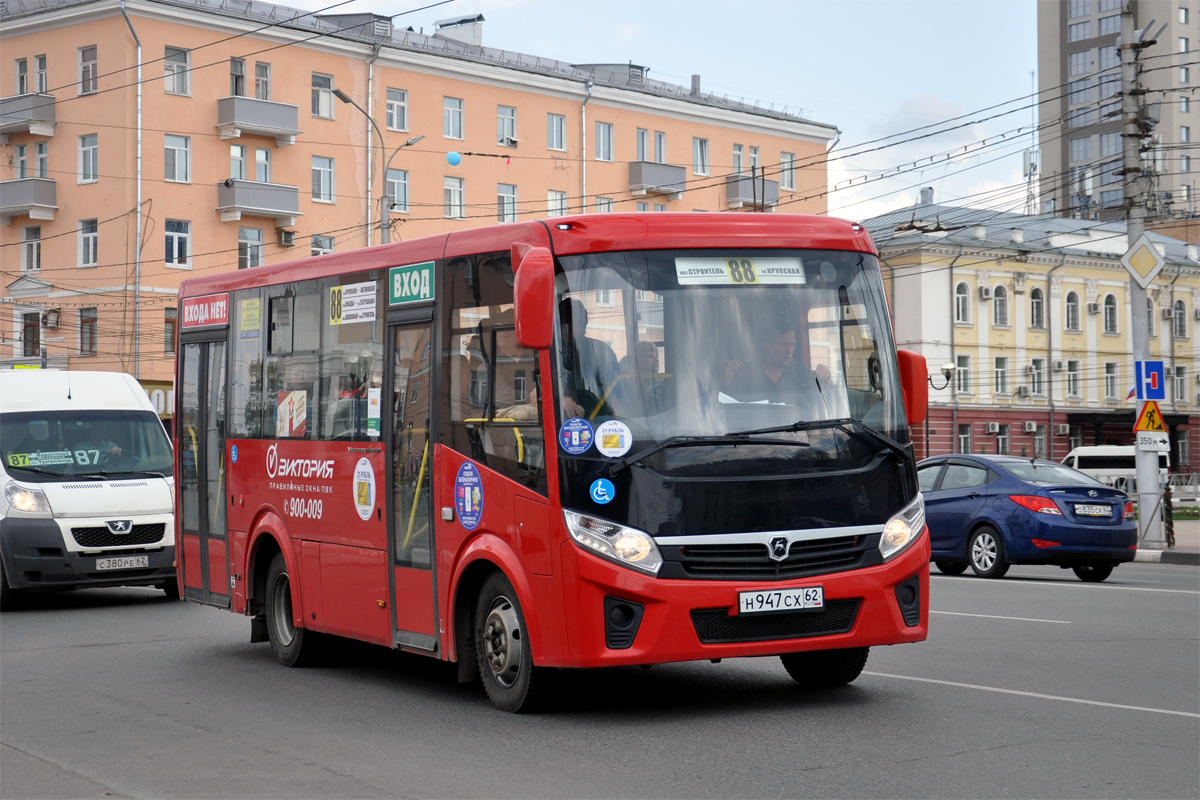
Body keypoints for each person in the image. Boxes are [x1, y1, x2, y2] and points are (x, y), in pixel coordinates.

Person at [724, 314, 831, 408]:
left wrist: (826, 376)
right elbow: (729, 407)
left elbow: (826, 393)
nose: (789, 351)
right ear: (767, 346)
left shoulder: (800, 370)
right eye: (783, 345)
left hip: (795, 429)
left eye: (792, 345)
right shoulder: (744, 374)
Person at [559, 298, 620, 419]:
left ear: (585, 323)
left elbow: (617, 394)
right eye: (566, 324)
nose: (571, 329)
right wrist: (556, 397)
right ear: (558, 326)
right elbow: (540, 391)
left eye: (576, 322)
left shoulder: (603, 352)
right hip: (562, 422)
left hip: (602, 418)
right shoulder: (551, 354)